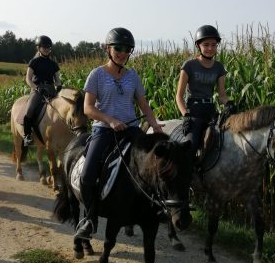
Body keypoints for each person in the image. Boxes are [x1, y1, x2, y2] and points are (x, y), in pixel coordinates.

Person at [75, 27, 164, 240]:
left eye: (127, 49)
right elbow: (88, 108)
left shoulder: (133, 76)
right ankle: (89, 218)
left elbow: (144, 106)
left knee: (152, 166)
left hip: (131, 129)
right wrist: (110, 120)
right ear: (108, 49)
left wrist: (155, 126)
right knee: (87, 176)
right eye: (118, 48)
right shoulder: (96, 74)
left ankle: (154, 209)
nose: (122, 53)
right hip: (104, 130)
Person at [175, 24, 235, 162]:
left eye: (213, 45)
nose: (210, 48)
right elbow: (179, 96)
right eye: (206, 45)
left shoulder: (219, 67)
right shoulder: (189, 66)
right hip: (194, 112)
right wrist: (186, 115)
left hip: (210, 111)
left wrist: (229, 104)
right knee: (191, 145)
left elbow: (222, 94)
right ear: (198, 46)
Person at [23, 35, 62, 146]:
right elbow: (28, 79)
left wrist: (59, 87)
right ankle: (27, 136)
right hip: (37, 90)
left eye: (48, 47)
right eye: (44, 47)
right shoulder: (34, 62)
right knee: (29, 110)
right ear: (39, 48)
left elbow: (57, 80)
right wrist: (36, 88)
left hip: (51, 90)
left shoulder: (53, 64)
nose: (46, 49)